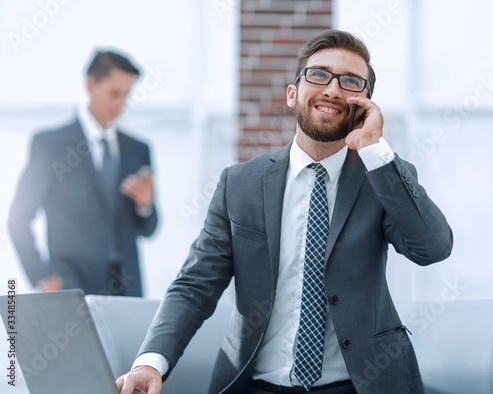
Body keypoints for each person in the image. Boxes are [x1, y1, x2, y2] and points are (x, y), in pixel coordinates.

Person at [116, 30, 453, 393]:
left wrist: (374, 148)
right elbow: (195, 285)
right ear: (293, 94)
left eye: (352, 82)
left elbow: (432, 248)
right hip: (258, 385)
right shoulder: (240, 184)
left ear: (367, 103)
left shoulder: (381, 177)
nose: (334, 90)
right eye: (319, 74)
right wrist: (150, 362)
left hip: (360, 385)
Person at [8, 50, 158, 296]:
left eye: (127, 95)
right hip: (70, 285)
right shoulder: (51, 145)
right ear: (91, 84)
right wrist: (42, 276)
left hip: (127, 291)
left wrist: (145, 205)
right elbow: (18, 218)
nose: (121, 103)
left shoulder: (138, 150)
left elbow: (149, 228)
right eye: (114, 93)